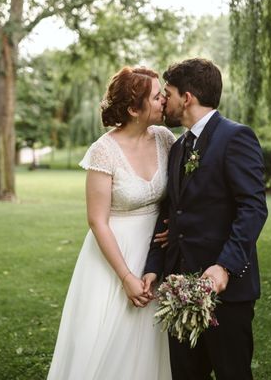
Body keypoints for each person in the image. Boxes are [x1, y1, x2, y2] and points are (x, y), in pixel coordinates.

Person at [143, 58, 268, 380]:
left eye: (167, 93)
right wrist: (154, 266)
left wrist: (224, 266)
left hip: (227, 292)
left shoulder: (236, 137)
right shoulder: (179, 146)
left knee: (232, 373)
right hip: (179, 288)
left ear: (187, 98)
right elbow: (170, 211)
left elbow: (253, 208)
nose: (163, 100)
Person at [47, 66, 174, 380]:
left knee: (148, 342)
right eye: (157, 97)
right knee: (105, 340)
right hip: (113, 255)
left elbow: (176, 198)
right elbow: (97, 220)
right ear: (133, 109)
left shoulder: (165, 138)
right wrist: (126, 276)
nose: (164, 101)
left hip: (155, 254)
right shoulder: (103, 152)